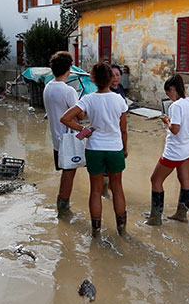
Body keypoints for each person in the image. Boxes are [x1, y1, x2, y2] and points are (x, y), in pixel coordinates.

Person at [60, 62, 129, 237]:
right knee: (118, 188)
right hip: (115, 148)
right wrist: (125, 149)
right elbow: (123, 129)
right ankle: (122, 231)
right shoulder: (119, 99)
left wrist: (83, 130)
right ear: (110, 78)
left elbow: (65, 118)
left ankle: (96, 233)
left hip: (95, 149)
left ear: (93, 79)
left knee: (96, 191)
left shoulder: (88, 99)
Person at [146, 74, 189, 225]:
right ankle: (181, 214)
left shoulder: (175, 106)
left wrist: (167, 120)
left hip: (174, 151)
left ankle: (155, 218)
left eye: (167, 93)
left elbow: (175, 129)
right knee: (185, 180)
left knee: (155, 180)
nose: (168, 97)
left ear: (171, 89)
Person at [43, 51, 78, 217]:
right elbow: (79, 115)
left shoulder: (48, 87)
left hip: (56, 139)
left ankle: (63, 207)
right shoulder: (68, 91)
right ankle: (63, 209)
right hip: (68, 139)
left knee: (66, 172)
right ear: (69, 69)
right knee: (69, 174)